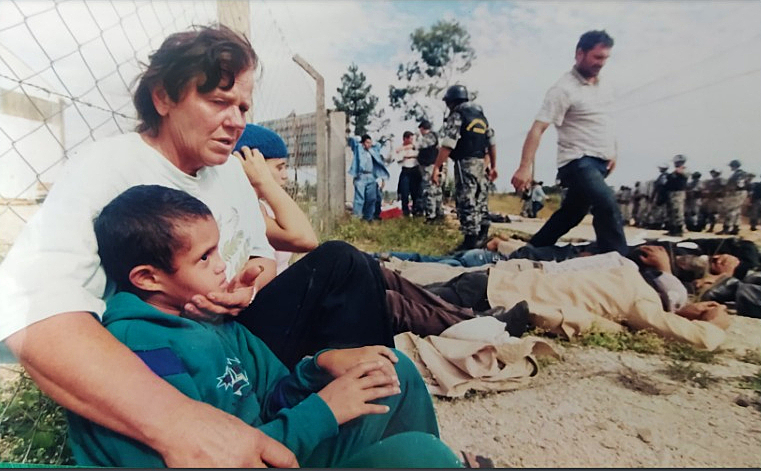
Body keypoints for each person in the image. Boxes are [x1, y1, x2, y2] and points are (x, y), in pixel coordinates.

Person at [0, 25, 398, 467]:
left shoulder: (226, 170)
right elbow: (31, 312)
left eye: (243, 106)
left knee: (342, 262)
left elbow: (260, 255)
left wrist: (249, 283)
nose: (238, 121)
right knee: (343, 264)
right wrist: (176, 421)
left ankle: (369, 405)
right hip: (170, 357)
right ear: (163, 97)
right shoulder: (105, 169)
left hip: (238, 337)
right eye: (218, 101)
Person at [65, 184, 460, 468]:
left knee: (392, 370)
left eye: (217, 249)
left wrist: (321, 366)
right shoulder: (139, 352)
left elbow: (273, 392)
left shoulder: (207, 317)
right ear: (148, 278)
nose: (222, 265)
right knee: (423, 456)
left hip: (280, 443)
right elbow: (209, 455)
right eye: (204, 258)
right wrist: (324, 411)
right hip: (258, 458)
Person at [510, 30, 627, 256]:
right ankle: (619, 261)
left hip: (600, 161)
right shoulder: (563, 89)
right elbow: (538, 128)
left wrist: (613, 152)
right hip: (578, 161)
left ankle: (530, 250)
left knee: (572, 213)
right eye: (597, 57)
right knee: (607, 204)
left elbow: (606, 121)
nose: (601, 63)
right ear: (579, 54)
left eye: (605, 58)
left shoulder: (605, 86)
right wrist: (525, 167)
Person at [232, 123, 318, 274]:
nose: (285, 176)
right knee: (341, 255)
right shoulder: (242, 211)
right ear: (251, 164)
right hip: (268, 294)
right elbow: (305, 240)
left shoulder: (263, 206)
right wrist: (264, 180)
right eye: (279, 167)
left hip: (281, 287)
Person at [432, 84, 497, 250]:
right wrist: (493, 165)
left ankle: (470, 240)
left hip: (465, 163)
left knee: (466, 200)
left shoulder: (458, 115)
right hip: (482, 162)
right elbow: (491, 142)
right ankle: (483, 234)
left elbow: (448, 144)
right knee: (480, 199)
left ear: (452, 101)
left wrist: (437, 167)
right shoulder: (481, 116)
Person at [348, 133, 390, 221]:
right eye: (367, 143)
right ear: (363, 143)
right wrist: (360, 140)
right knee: (359, 198)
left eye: (370, 143)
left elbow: (378, 145)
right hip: (361, 175)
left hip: (371, 176)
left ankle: (368, 217)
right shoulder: (358, 148)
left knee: (372, 198)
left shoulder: (373, 150)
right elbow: (352, 140)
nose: (369, 145)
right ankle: (357, 217)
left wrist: (371, 143)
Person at [415, 119, 445, 223]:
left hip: (429, 166)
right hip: (434, 165)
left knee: (429, 190)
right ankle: (438, 212)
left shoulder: (429, 137)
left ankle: (431, 215)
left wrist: (416, 138)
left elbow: (418, 145)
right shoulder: (436, 136)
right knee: (436, 190)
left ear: (422, 129)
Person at [394, 131, 423, 217]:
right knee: (404, 192)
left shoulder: (415, 146)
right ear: (405, 139)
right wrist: (405, 153)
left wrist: (410, 154)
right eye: (410, 139)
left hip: (415, 170)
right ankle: (405, 212)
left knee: (416, 192)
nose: (411, 140)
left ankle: (416, 211)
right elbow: (398, 158)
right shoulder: (400, 148)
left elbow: (419, 154)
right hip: (406, 170)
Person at [719, 159, 749, 235]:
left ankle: (727, 227)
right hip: (741, 193)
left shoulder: (738, 174)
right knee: (737, 211)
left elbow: (739, 184)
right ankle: (735, 228)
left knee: (731, 210)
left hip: (736, 193)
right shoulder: (741, 173)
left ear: (734, 166)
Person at [664, 154, 688, 236]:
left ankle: (679, 230)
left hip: (678, 193)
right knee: (671, 212)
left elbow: (684, 175)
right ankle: (672, 229)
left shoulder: (684, 170)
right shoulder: (674, 172)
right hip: (671, 193)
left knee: (678, 212)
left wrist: (679, 170)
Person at [701, 168, 724, 233]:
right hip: (710, 198)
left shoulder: (720, 180)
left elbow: (722, 190)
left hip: (716, 199)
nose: (713, 174)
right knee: (706, 212)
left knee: (713, 214)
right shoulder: (710, 181)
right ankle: (705, 226)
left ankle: (711, 227)